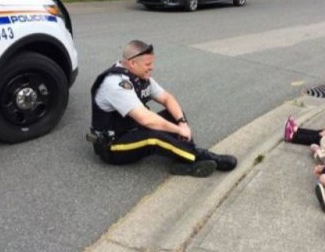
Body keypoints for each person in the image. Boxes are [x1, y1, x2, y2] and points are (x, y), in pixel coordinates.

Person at [88, 39, 237, 177]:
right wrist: (179, 130)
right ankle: (203, 158)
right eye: (148, 64)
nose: (152, 67)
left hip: (132, 129)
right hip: (114, 146)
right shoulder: (116, 84)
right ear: (133, 63)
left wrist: (182, 122)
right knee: (154, 138)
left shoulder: (140, 77)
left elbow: (167, 98)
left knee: (174, 115)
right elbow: (146, 120)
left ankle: (183, 157)